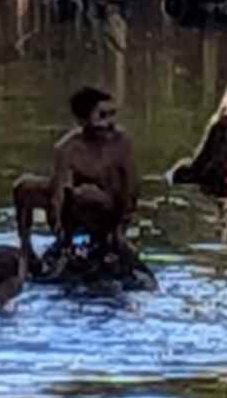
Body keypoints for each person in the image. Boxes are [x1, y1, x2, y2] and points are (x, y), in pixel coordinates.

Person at [14, 84, 139, 274]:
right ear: (83, 120)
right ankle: (26, 250)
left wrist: (120, 229)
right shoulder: (68, 148)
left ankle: (110, 240)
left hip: (108, 205)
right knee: (23, 187)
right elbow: (59, 191)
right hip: (74, 207)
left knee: (89, 195)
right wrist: (59, 226)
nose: (109, 123)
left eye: (112, 115)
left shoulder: (121, 143)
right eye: (102, 116)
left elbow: (130, 190)